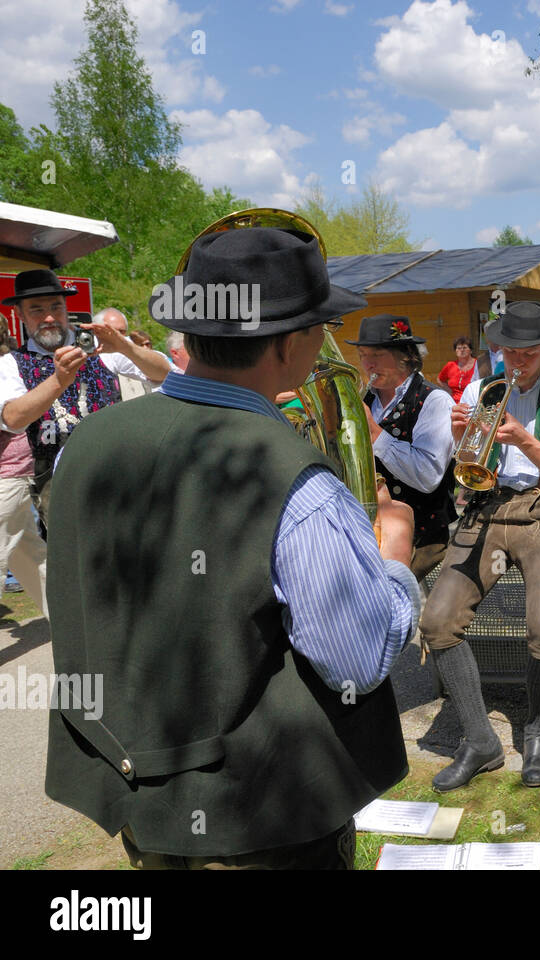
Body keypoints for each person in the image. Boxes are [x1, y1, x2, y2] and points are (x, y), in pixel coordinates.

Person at [44, 224, 420, 869]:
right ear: (293, 342)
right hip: (264, 820)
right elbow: (356, 660)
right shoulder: (294, 480)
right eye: (319, 327)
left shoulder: (88, 440)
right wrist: (395, 563)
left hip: (144, 802)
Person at [419, 301, 540, 791]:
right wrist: (458, 437)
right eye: (509, 351)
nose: (517, 361)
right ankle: (480, 741)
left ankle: (536, 731)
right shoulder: (481, 388)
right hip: (487, 505)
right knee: (436, 622)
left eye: (528, 352)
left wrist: (527, 442)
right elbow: (464, 460)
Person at [0, 269, 172, 522]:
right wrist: (59, 381)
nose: (49, 317)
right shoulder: (11, 363)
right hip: (56, 482)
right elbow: (13, 419)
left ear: (66, 307)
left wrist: (125, 346)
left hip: (114, 468)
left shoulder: (97, 345)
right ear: (20, 314)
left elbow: (165, 374)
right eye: (37, 310)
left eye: (56, 307)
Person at [349, 314, 457, 581]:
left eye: (377, 354)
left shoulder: (434, 401)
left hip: (422, 536)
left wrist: (374, 433)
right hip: (369, 530)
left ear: (405, 356)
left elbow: (427, 476)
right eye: (363, 355)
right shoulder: (365, 398)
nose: (368, 364)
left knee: (380, 599)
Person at [0, 337, 46, 618]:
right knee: (31, 557)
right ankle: (73, 625)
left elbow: (17, 420)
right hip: (14, 475)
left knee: (28, 555)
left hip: (8, 476)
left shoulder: (7, 367)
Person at [95, 308, 173, 399]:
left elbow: (163, 374)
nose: (117, 336)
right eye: (111, 330)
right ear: (95, 329)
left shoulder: (122, 352)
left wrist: (127, 348)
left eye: (121, 332)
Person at [438, 335, 479, 403]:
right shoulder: (450, 365)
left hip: (473, 403)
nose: (462, 350)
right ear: (455, 351)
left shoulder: (478, 364)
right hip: (454, 403)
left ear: (471, 350)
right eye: (459, 348)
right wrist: (449, 392)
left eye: (464, 348)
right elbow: (440, 379)